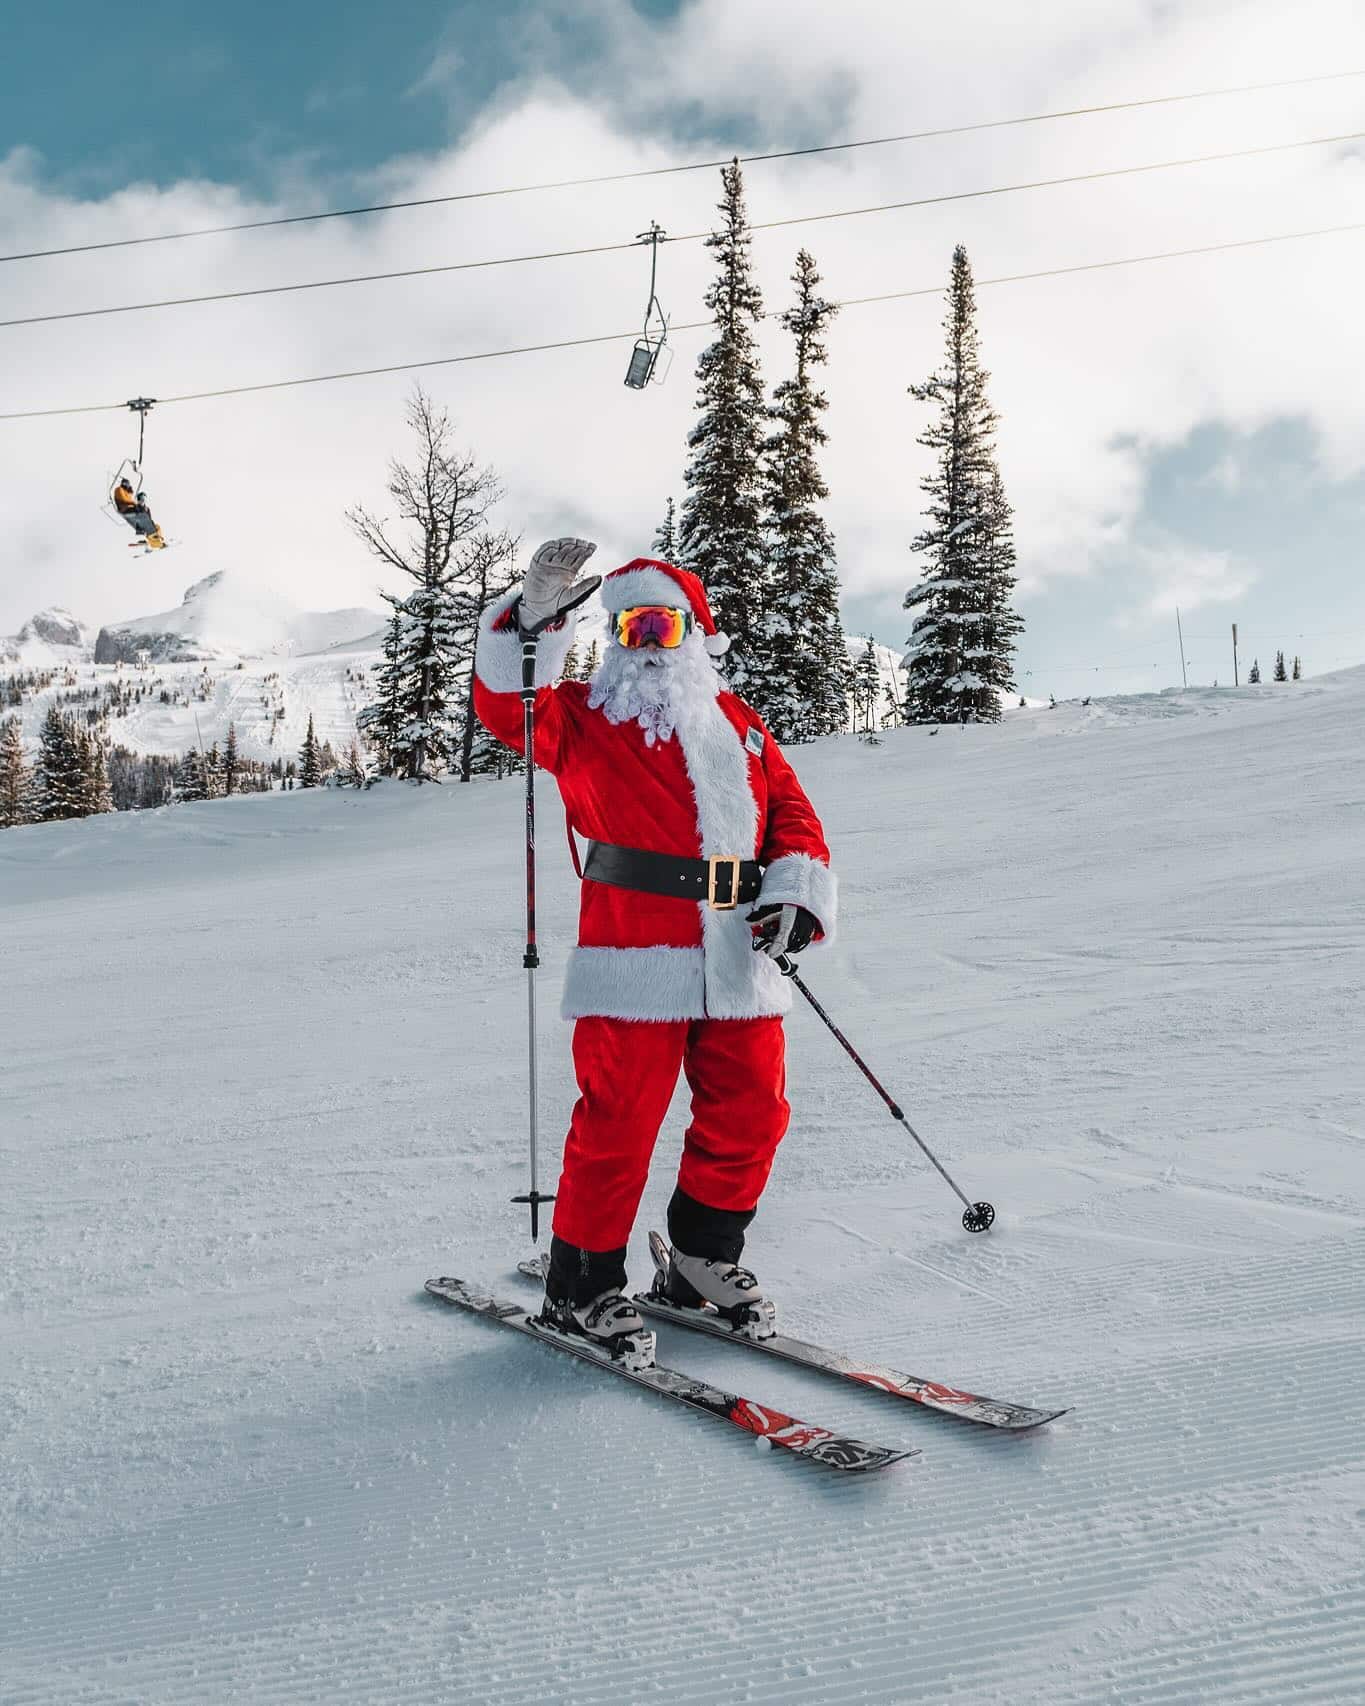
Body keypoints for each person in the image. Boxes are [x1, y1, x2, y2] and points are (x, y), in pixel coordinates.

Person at [473, 538, 837, 1362]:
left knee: (751, 1113)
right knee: (620, 1121)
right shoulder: (578, 719)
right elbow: (505, 703)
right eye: (628, 625)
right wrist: (532, 621)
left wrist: (794, 899)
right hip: (633, 952)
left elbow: (793, 818)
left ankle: (699, 1264)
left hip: (737, 954)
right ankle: (582, 1287)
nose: (644, 641)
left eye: (661, 626)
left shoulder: (740, 726)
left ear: (695, 636)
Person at [112, 477, 161, 544]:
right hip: (124, 509)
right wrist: (133, 503)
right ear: (123, 483)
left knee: (156, 525)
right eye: (126, 483)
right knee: (141, 508)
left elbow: (128, 498)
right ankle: (141, 527)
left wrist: (130, 492)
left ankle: (156, 536)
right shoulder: (118, 489)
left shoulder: (126, 492)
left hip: (130, 508)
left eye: (128, 484)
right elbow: (124, 499)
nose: (127, 485)